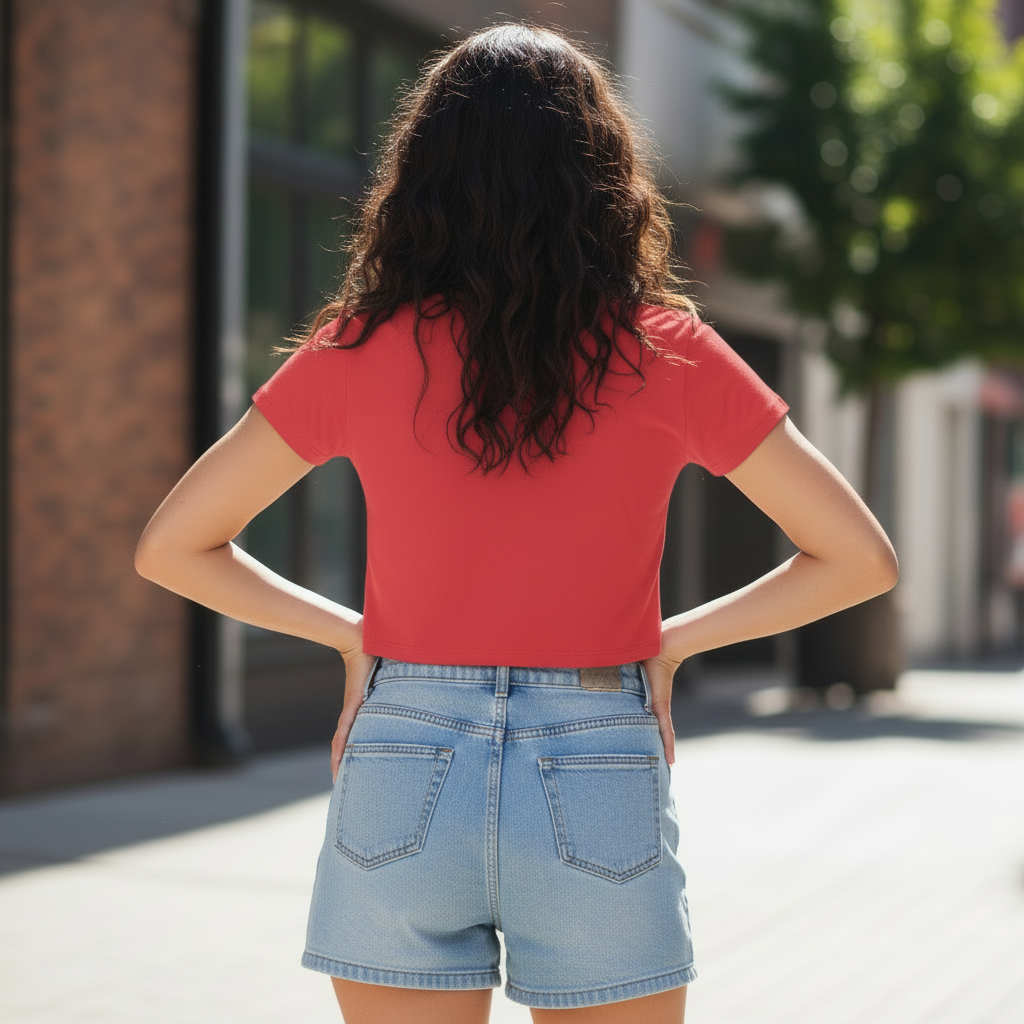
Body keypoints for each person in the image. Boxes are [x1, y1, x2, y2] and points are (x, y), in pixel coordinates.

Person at [135, 22, 897, 1024]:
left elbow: (173, 546)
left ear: (425, 175)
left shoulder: (357, 349)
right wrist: (670, 646)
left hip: (403, 747)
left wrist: (352, 638)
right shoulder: (669, 350)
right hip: (597, 751)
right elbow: (858, 558)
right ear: (604, 177)